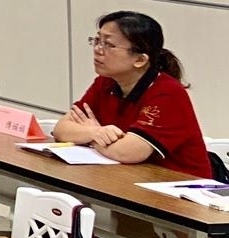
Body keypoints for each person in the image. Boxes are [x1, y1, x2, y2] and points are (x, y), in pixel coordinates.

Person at [54, 10, 209, 177]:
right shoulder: (105, 82)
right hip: (128, 179)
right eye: (97, 41)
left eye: (109, 45)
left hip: (180, 186)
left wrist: (89, 135)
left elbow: (128, 152)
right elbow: (62, 129)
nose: (98, 49)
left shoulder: (168, 93)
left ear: (140, 60)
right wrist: (96, 133)